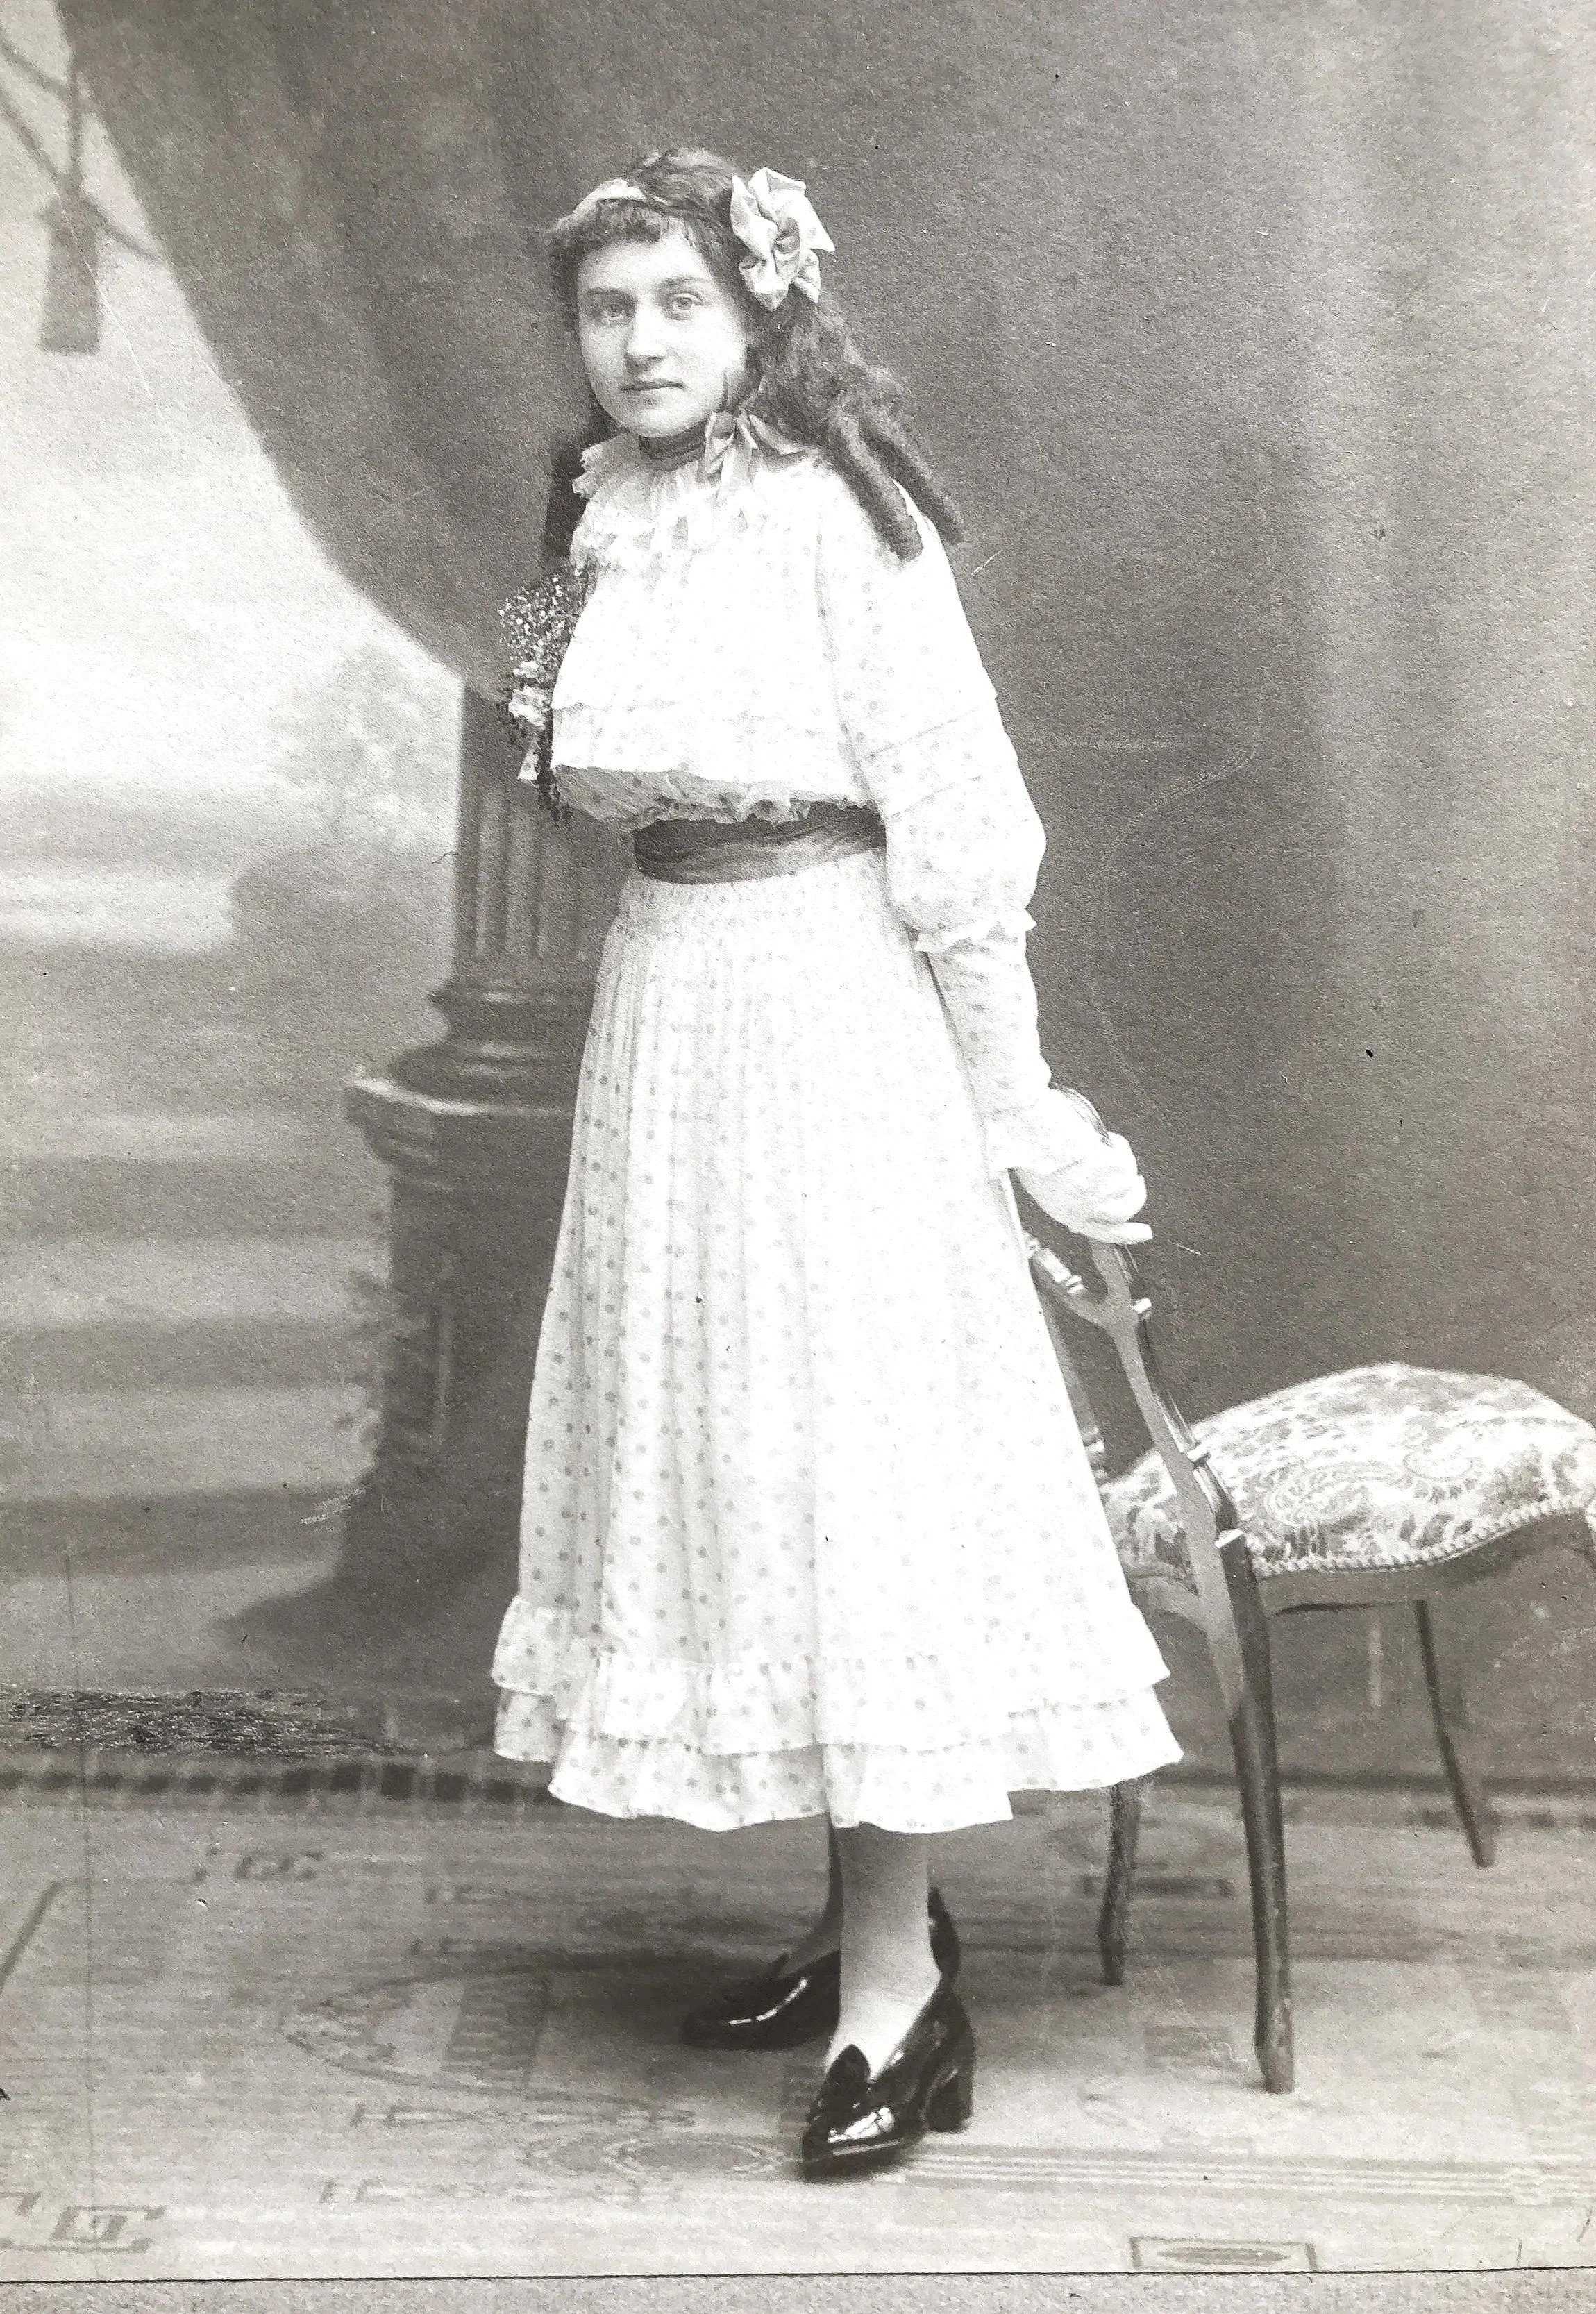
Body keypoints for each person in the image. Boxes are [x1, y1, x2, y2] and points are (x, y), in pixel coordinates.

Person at [492, 147, 1180, 2178]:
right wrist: (574, 689)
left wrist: (1012, 1097)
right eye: (608, 310)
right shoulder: (581, 507)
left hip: (823, 1002)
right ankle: (858, 1923)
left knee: (831, 1469)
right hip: (666, 998)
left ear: (759, 313)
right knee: (727, 1465)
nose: (639, 345)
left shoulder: (845, 511)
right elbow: (547, 733)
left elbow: (959, 815)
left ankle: (900, 1994)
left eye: (678, 305)